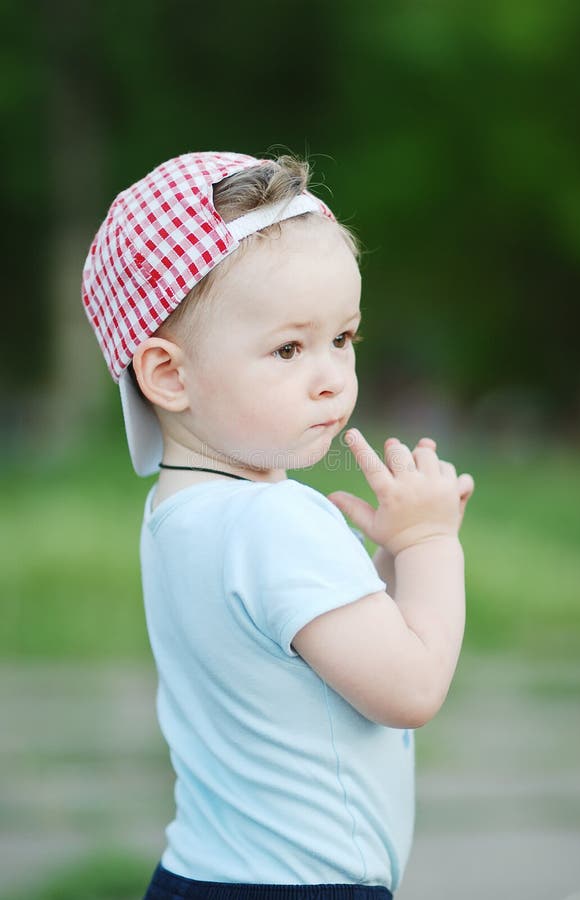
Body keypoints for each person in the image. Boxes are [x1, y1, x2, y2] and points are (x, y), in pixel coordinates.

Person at [81, 150, 475, 900]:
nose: (331, 375)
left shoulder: (178, 513)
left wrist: (387, 563)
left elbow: (328, 664)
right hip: (297, 887)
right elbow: (410, 687)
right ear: (168, 375)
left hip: (207, 873)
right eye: (289, 348)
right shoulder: (276, 520)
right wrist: (429, 544)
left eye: (344, 339)